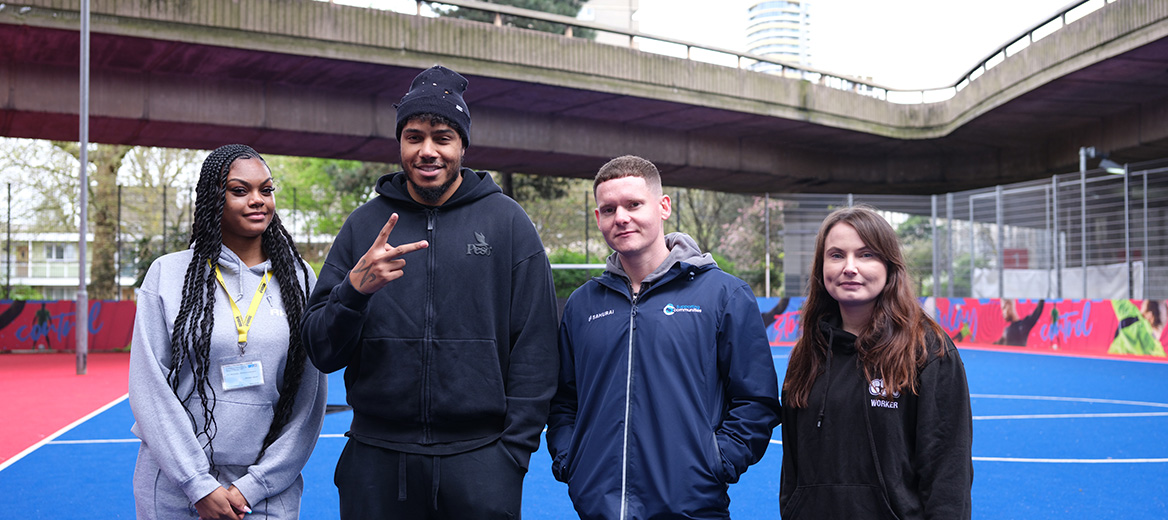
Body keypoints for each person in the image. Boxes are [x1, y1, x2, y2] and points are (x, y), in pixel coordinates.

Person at [301, 65, 559, 519]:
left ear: (462, 145)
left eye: (442, 137)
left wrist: (511, 455)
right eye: (414, 136)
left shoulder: (508, 223)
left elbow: (536, 347)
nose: (427, 150)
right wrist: (353, 293)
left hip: (482, 462)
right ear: (399, 143)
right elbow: (321, 350)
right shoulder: (364, 226)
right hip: (376, 461)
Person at [547, 155, 781, 520]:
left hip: (693, 507)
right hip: (597, 505)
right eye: (608, 209)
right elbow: (564, 401)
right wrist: (570, 459)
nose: (621, 217)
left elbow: (756, 400)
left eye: (634, 204)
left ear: (663, 206)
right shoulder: (582, 305)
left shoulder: (723, 294)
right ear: (598, 219)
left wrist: (715, 464)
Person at [129, 144, 326, 520]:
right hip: (175, 487)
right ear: (212, 198)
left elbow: (308, 398)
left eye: (266, 190)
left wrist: (256, 484)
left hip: (264, 493)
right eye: (240, 190)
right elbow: (148, 387)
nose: (257, 200)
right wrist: (197, 484)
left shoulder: (300, 278)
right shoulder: (168, 274)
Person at [779, 205, 973, 520]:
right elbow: (793, 468)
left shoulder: (927, 350)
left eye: (866, 254)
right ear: (821, 267)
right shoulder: (807, 354)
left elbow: (947, 475)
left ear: (889, 265)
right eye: (837, 255)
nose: (850, 267)